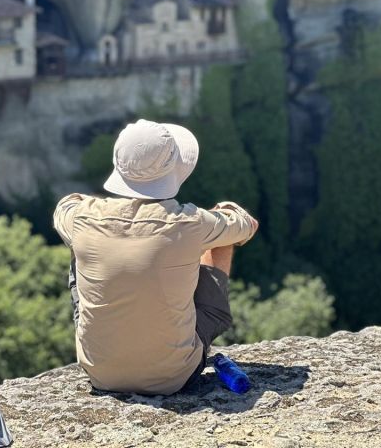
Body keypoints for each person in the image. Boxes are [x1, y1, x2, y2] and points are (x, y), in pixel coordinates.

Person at [53, 119, 258, 395]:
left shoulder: (83, 217)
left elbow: (64, 206)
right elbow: (247, 224)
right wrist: (224, 211)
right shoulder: (192, 222)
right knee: (222, 240)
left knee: (80, 247)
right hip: (175, 377)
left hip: (100, 373)